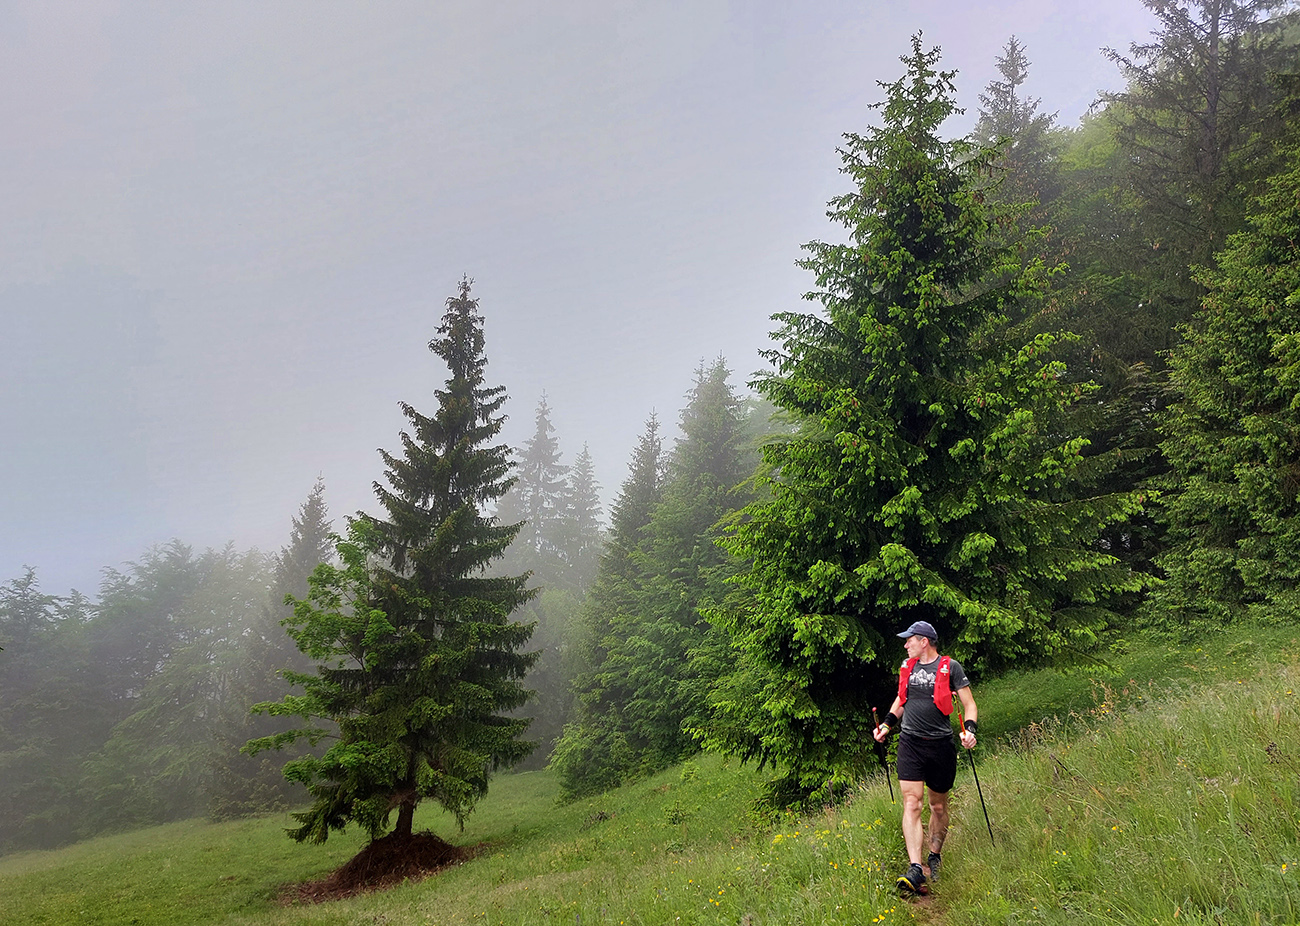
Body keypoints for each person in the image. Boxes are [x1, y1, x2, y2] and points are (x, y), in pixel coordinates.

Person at [872, 619, 977, 895]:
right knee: (912, 802)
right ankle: (915, 868)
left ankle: (934, 856)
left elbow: (969, 704)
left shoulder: (950, 667)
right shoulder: (907, 667)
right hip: (911, 743)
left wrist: (970, 731)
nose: (905, 645)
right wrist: (886, 725)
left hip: (940, 745)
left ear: (924, 641)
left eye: (909, 640)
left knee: (938, 807)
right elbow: (901, 699)